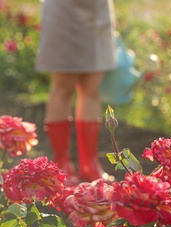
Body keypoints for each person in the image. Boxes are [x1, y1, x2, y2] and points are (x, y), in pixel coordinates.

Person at [36, 0, 116, 185]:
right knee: (63, 87)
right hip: (64, 10)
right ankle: (61, 163)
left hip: (97, 10)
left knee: (92, 88)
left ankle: (90, 163)